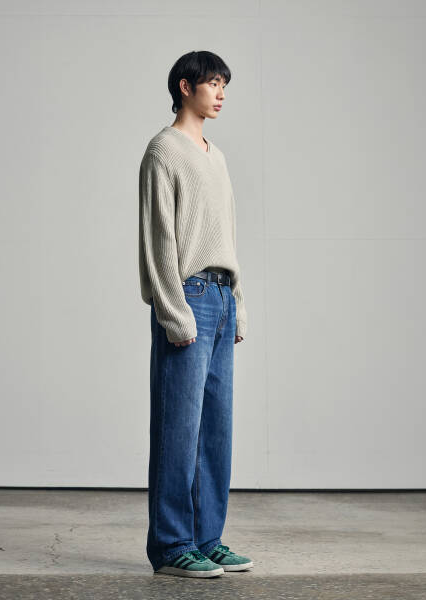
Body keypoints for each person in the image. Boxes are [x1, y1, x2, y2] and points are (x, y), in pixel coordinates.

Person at [138, 50, 253, 578]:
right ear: (185, 87)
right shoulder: (164, 150)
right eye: (213, 83)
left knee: (215, 431)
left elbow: (226, 234)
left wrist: (238, 304)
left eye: (224, 84)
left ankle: (207, 539)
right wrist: (174, 311)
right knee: (178, 429)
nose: (221, 93)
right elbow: (159, 238)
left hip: (221, 298)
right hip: (188, 297)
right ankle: (171, 545)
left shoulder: (217, 156)